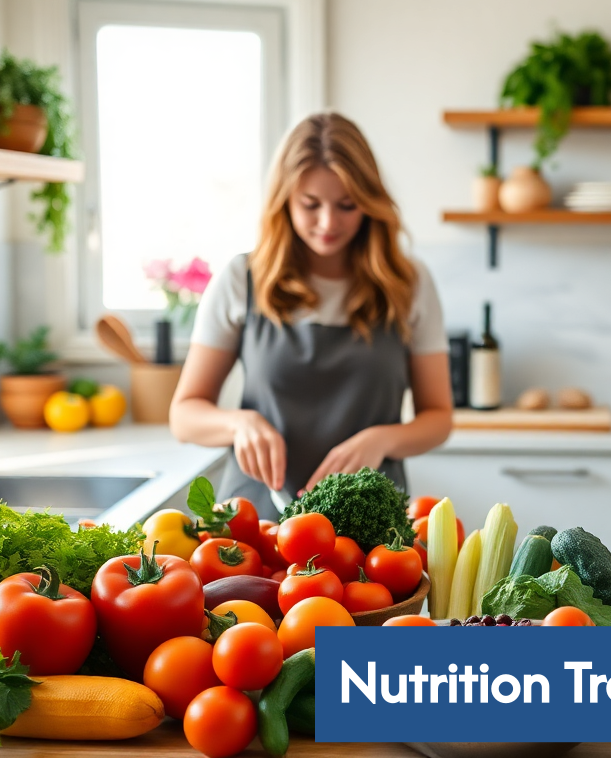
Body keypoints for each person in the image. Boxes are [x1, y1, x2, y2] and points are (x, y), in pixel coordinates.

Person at [169, 113, 453, 512]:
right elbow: (184, 415)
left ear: (370, 203)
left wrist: (383, 439)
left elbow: (439, 417)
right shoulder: (242, 279)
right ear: (284, 200)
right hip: (256, 518)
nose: (328, 223)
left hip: (369, 524)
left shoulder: (409, 284)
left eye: (347, 205)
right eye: (310, 204)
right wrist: (239, 423)